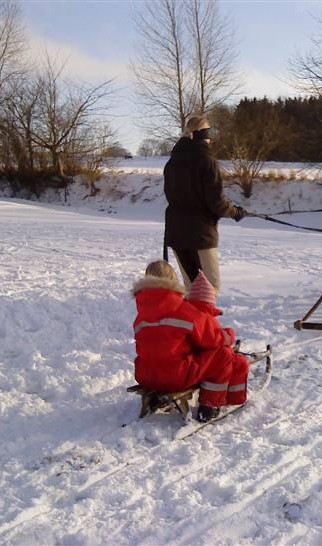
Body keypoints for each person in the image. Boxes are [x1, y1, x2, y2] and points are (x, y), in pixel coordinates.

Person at [132, 260, 249, 422]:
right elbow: (213, 340)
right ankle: (210, 405)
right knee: (223, 354)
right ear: (173, 280)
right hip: (176, 376)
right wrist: (229, 334)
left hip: (145, 375)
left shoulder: (141, 315)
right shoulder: (183, 309)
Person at [163, 114, 246, 294]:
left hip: (176, 232)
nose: (210, 138)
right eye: (209, 132)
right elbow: (216, 202)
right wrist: (234, 212)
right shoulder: (206, 160)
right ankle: (203, 323)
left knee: (191, 287)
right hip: (200, 234)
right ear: (202, 135)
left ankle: (193, 321)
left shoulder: (172, 162)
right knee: (209, 289)